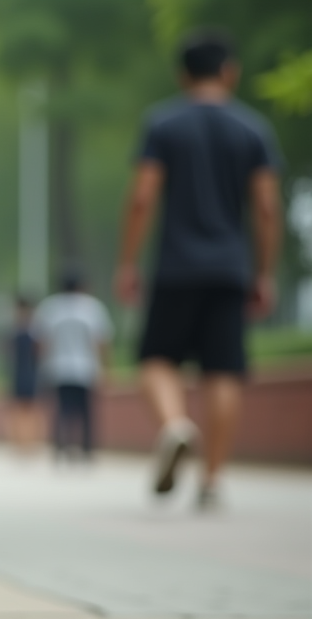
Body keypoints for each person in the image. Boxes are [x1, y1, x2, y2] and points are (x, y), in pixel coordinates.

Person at [115, 30, 283, 507]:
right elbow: (268, 208)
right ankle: (212, 481)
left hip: (176, 267)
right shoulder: (254, 130)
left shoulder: (163, 125)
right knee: (223, 370)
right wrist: (264, 272)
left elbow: (144, 196)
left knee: (154, 361)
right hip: (231, 268)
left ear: (183, 74)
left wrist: (127, 262)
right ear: (230, 71)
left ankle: (174, 426)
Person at [31, 274, 113, 460]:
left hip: (57, 367)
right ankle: (86, 449)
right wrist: (106, 367)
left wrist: (41, 365)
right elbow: (101, 341)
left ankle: (60, 446)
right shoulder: (91, 307)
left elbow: (41, 342)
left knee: (61, 409)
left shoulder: (50, 307)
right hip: (86, 367)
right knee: (86, 411)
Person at [5, 296, 42, 453]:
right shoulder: (14, 331)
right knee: (17, 408)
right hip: (18, 372)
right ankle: (18, 441)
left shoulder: (35, 332)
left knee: (30, 408)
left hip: (30, 371)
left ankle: (29, 441)